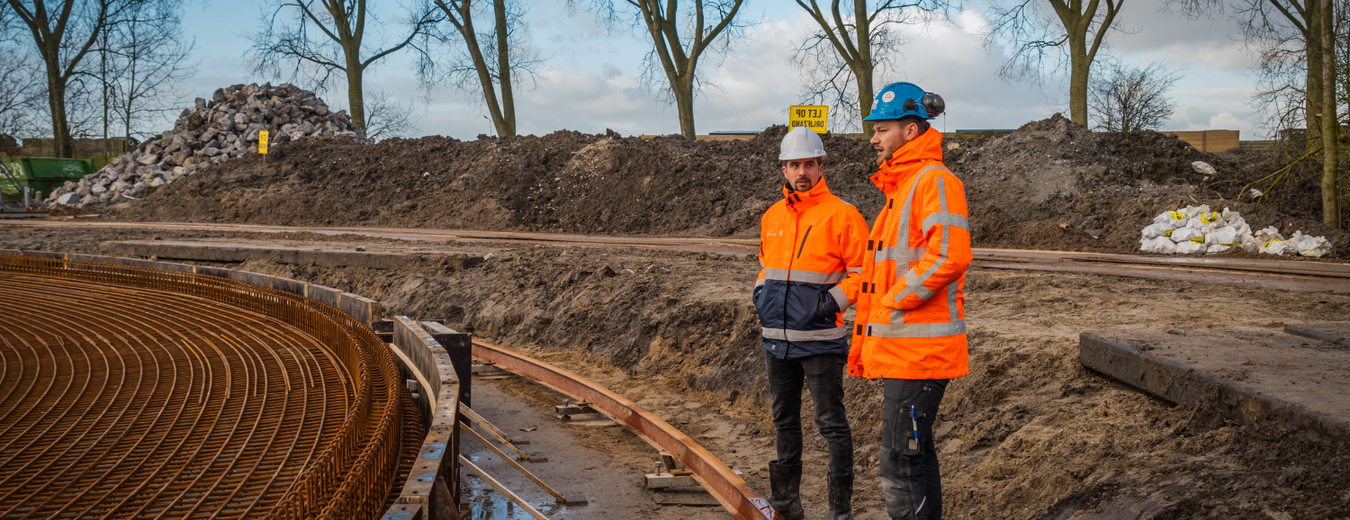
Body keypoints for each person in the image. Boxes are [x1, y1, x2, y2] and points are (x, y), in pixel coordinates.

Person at [848, 82, 971, 520]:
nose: (873, 139)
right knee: (914, 458)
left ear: (911, 130)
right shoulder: (901, 190)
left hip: (919, 352)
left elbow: (951, 254)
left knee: (900, 463)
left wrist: (895, 300)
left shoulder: (932, 181)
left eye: (881, 129)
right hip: (906, 351)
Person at [754, 126, 869, 520]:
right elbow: (765, 268)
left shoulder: (844, 215)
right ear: (783, 170)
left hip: (820, 340)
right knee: (783, 421)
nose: (801, 171)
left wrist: (828, 304)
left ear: (821, 166)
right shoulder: (771, 217)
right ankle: (787, 504)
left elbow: (862, 274)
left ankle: (840, 512)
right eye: (794, 164)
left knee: (831, 424)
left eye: (808, 163)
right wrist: (759, 296)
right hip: (776, 341)